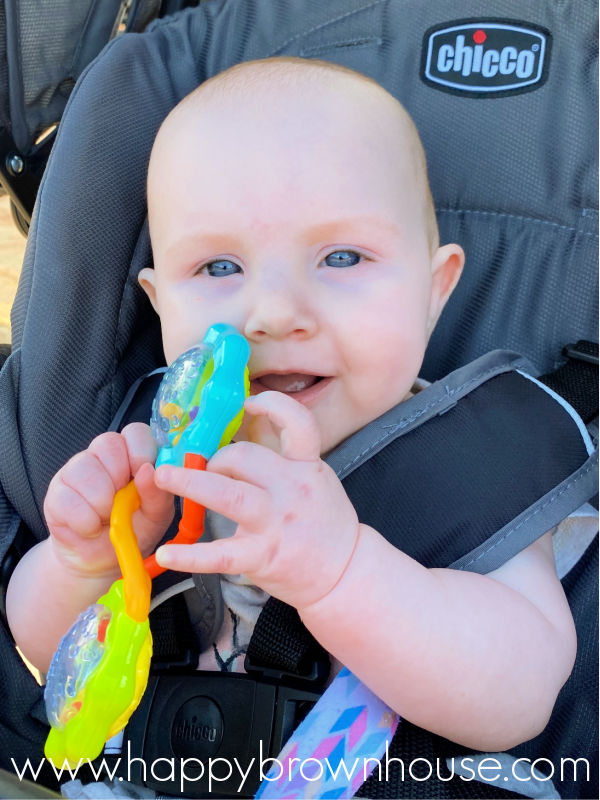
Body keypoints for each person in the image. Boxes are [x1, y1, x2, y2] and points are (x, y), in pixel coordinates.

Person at [6, 57, 576, 759]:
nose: (272, 314)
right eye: (219, 268)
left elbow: (520, 696)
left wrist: (342, 572)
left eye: (341, 259)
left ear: (435, 291)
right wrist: (83, 563)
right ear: (159, 305)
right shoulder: (154, 458)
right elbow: (43, 653)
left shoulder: (469, 470)